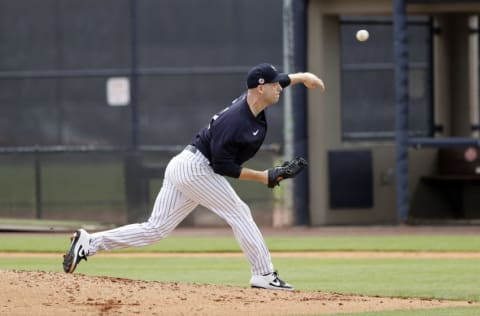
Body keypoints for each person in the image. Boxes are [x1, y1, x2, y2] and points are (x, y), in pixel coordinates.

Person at [63, 63, 325, 290]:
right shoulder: (235, 121)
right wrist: (265, 176)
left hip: (185, 164)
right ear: (259, 88)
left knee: (155, 229)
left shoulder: (252, 102)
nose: (279, 86)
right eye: (273, 83)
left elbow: (283, 80)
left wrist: (304, 77)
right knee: (240, 212)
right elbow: (223, 166)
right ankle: (264, 274)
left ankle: (90, 242)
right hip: (197, 168)